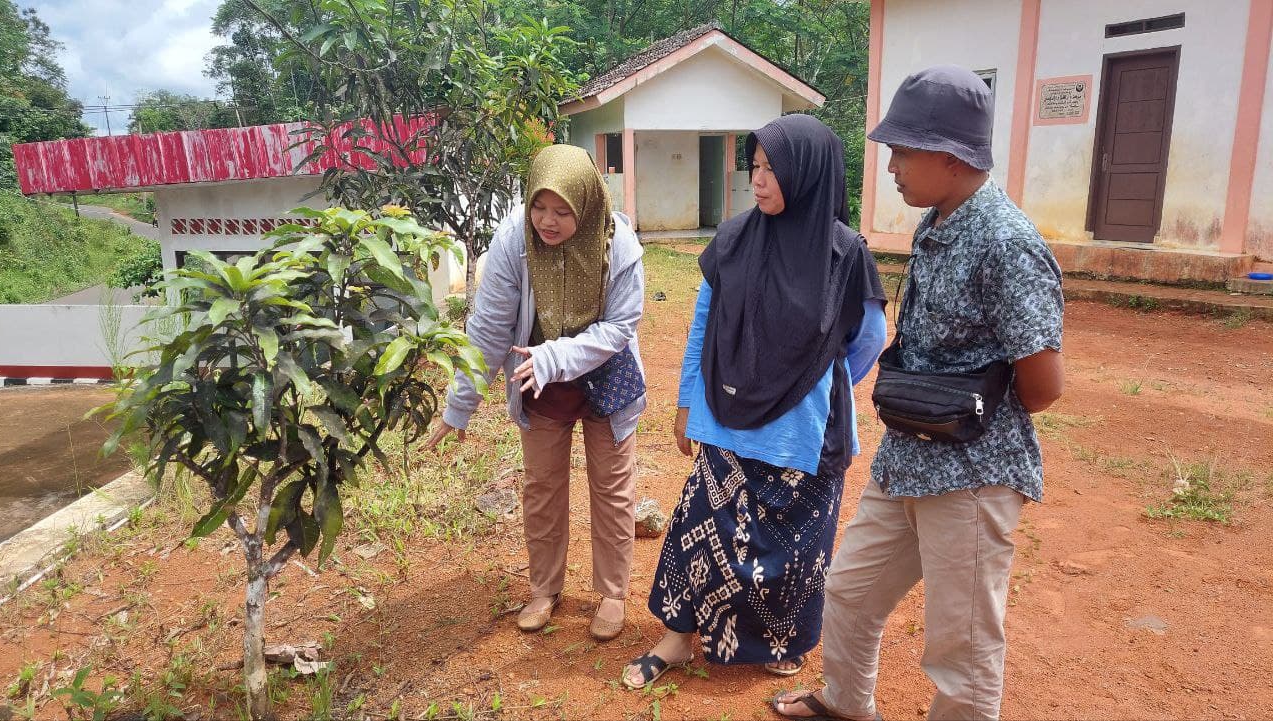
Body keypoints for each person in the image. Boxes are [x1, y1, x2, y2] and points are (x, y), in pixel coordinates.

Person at [773, 66, 1065, 721]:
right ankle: (846, 704)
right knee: (849, 589)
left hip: (972, 472)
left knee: (962, 645)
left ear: (949, 156)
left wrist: (962, 398)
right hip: (908, 458)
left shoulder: (1007, 243)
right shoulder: (936, 220)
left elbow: (1043, 386)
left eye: (903, 151)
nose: (893, 166)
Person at [622, 114, 888, 690]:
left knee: (794, 546)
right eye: (756, 167)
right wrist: (688, 401)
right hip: (727, 415)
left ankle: (781, 642)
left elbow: (869, 338)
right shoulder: (734, 238)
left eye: (773, 170)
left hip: (803, 431)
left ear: (808, 175)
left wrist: (822, 379)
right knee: (701, 527)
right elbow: (703, 326)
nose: (758, 180)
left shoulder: (845, 255)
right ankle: (677, 639)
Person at [426, 144, 646, 642]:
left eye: (563, 211)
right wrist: (459, 406)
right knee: (542, 488)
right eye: (539, 207)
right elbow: (489, 329)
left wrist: (555, 356)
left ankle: (612, 592)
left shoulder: (621, 246)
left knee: (612, 489)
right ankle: (545, 588)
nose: (548, 220)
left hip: (606, 379)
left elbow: (620, 328)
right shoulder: (513, 242)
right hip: (538, 383)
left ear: (586, 204)